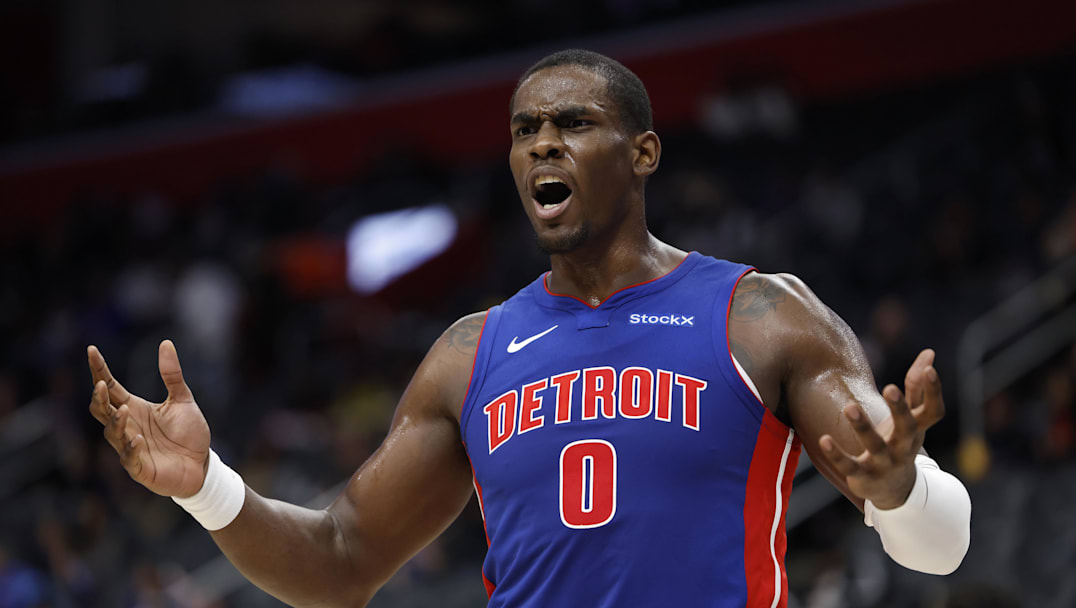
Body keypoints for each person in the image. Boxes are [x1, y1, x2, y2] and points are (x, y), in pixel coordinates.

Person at [86, 49, 970, 607]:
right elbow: (340, 560)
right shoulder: (471, 354)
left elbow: (941, 550)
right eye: (524, 130)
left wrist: (900, 491)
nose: (542, 144)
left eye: (573, 124)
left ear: (643, 153)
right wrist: (206, 486)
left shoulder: (761, 315)